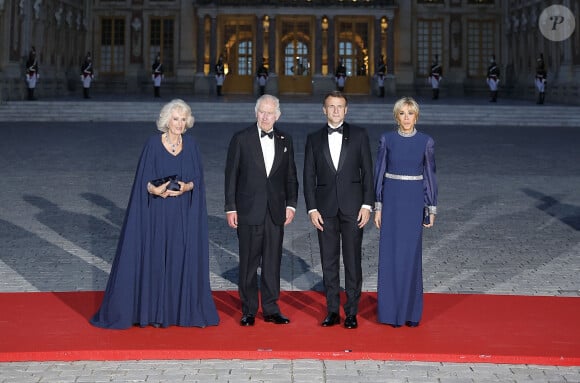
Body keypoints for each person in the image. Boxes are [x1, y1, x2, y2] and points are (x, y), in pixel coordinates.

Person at [90, 99, 219, 329]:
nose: (179, 123)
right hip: (157, 214)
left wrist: (186, 187)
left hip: (182, 215)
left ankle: (178, 312)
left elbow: (198, 180)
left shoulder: (191, 145)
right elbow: (143, 181)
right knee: (157, 259)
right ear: (166, 120)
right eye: (175, 118)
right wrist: (156, 189)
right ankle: (154, 311)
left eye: (183, 119)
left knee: (179, 258)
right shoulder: (152, 144)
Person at [224, 94, 298, 327]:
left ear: (278, 115)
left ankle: (271, 308)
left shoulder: (286, 139)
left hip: (275, 211)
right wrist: (230, 208)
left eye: (270, 113)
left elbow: (291, 176)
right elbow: (231, 176)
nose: (266, 117)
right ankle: (248, 309)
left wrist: (291, 205)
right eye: (262, 112)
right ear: (256, 113)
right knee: (247, 262)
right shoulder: (241, 139)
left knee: (272, 261)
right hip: (248, 210)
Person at [303, 91, 374, 329]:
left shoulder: (360, 135)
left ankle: (352, 311)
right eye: (331, 106)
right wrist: (312, 209)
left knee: (353, 262)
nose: (335, 110)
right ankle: (332, 310)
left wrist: (367, 205)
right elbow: (308, 176)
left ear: (346, 110)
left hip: (354, 209)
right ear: (324, 109)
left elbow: (368, 173)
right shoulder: (313, 139)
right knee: (329, 262)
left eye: (340, 106)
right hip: (325, 211)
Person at [373, 96, 437, 328]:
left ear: (416, 116)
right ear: (396, 116)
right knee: (390, 256)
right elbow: (379, 173)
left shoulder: (426, 141)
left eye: (410, 113)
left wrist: (430, 207)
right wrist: (378, 206)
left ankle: (410, 312)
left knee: (411, 257)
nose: (407, 118)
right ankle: (390, 312)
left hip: (412, 202)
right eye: (402, 113)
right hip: (391, 201)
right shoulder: (387, 139)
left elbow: (430, 176)